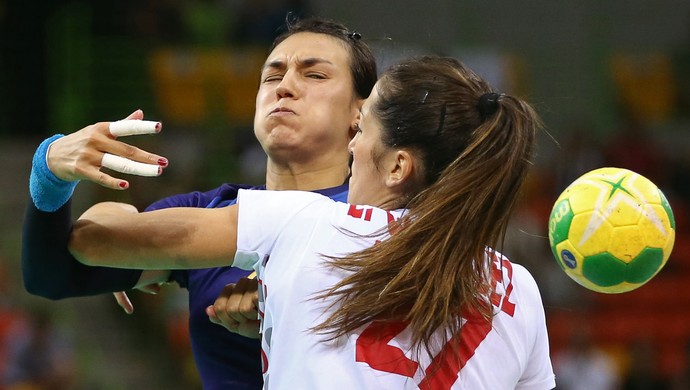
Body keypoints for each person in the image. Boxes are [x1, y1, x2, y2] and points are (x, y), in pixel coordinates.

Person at [68, 56, 556, 389]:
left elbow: (93, 246)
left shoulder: (304, 221)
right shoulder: (520, 290)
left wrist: (54, 169)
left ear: (398, 167)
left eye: (361, 131)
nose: (351, 145)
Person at [21, 17, 377, 390]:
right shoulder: (210, 211)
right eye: (271, 77)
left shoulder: (390, 221)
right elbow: (52, 275)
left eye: (315, 75)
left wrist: (290, 307)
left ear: (361, 112)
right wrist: (50, 173)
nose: (284, 87)